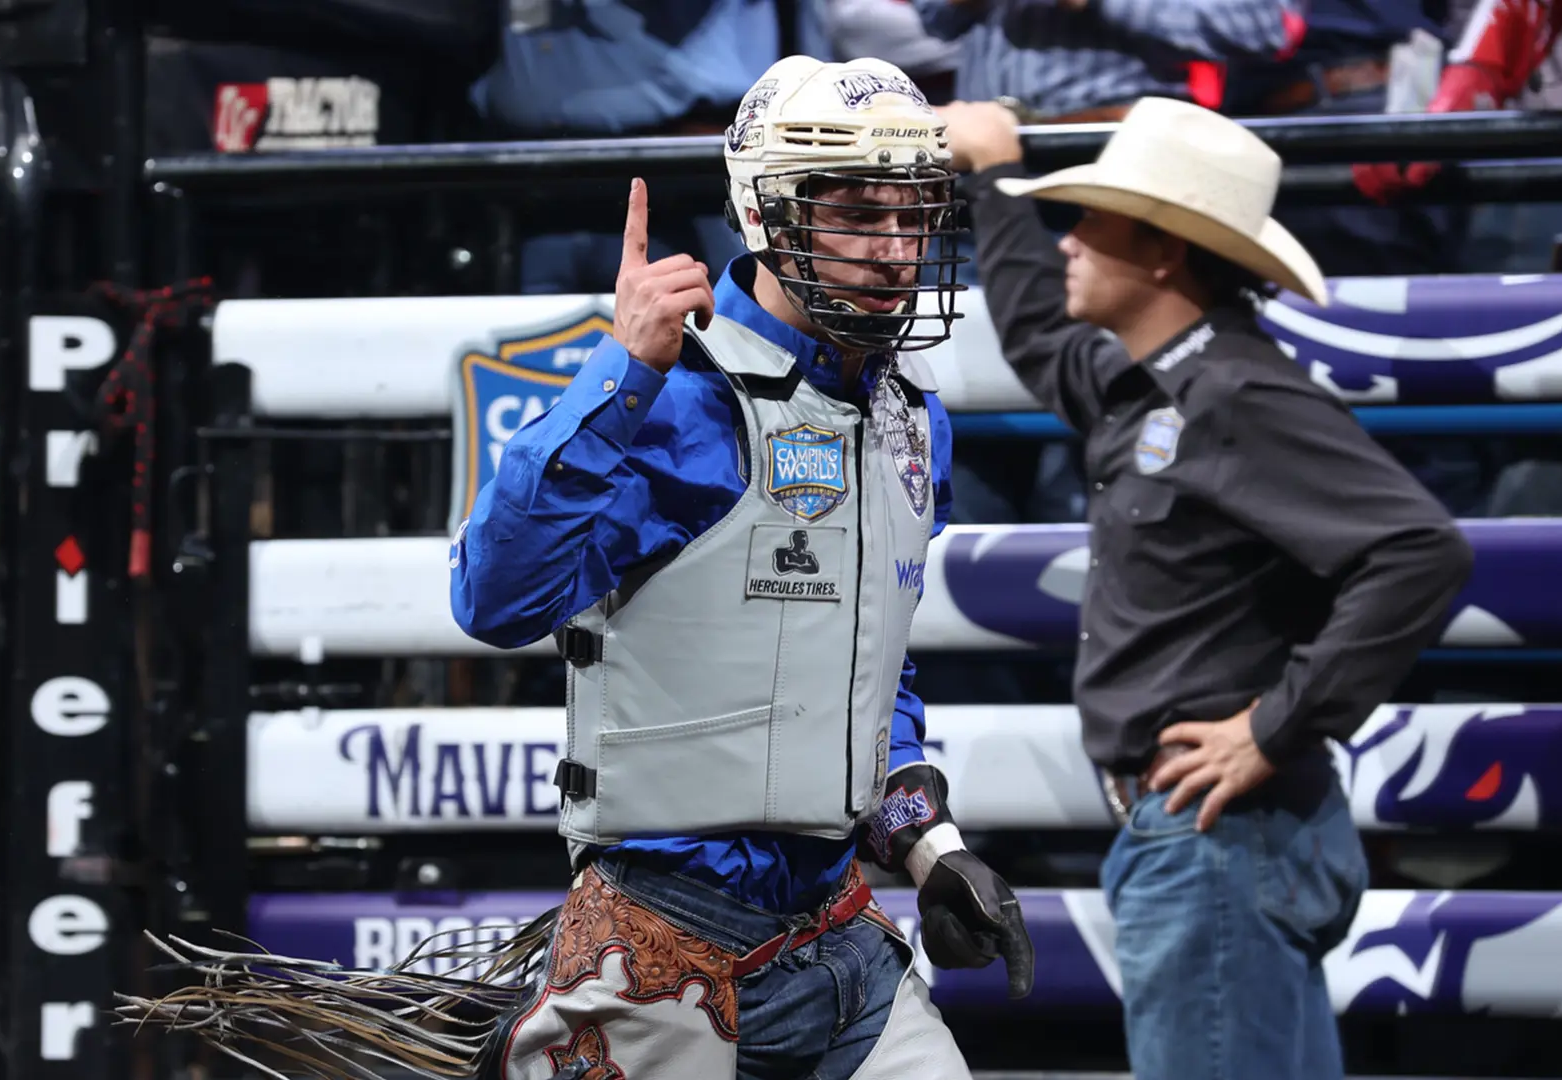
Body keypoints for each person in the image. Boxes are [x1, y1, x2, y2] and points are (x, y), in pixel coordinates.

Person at [112, 55, 1032, 1080]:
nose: (896, 249)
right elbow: (494, 598)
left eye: (914, 215)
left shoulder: (907, 417)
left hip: (838, 934)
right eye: (859, 213)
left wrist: (928, 844)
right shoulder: (674, 397)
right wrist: (621, 370)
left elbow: (866, 667)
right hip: (667, 945)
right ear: (770, 215)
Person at [934, 96, 1473, 1080]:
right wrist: (996, 182)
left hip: (1216, 844)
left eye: (1092, 221)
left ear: (1162, 251)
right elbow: (1042, 338)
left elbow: (1419, 551)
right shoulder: (1167, 384)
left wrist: (1273, 727)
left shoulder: (1232, 392)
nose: (1070, 240)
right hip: (1220, 843)